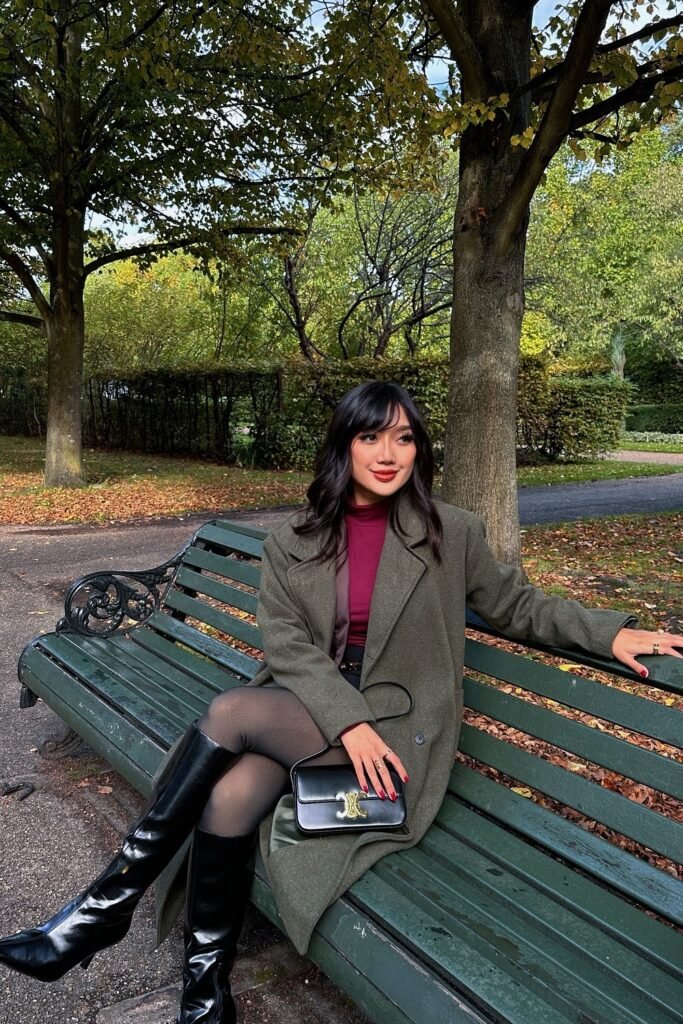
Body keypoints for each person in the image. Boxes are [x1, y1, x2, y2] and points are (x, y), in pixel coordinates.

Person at [0, 381, 680, 1024]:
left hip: (394, 744)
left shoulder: (450, 532)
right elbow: (288, 647)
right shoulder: (293, 540)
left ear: (419, 451)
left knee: (233, 712)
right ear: (343, 446)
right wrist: (342, 718)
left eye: (404, 439)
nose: (387, 455)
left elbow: (517, 606)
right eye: (370, 438)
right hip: (316, 720)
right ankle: (203, 994)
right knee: (227, 795)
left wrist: (612, 630)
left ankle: (98, 914)